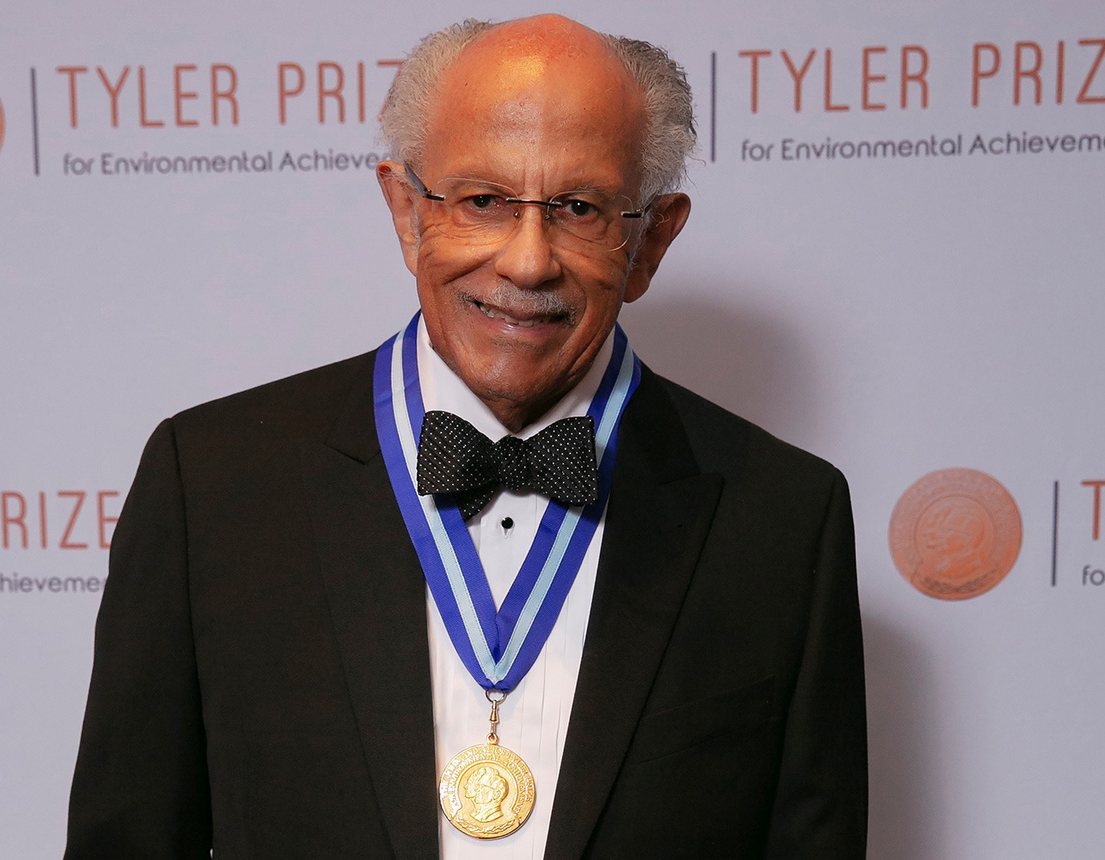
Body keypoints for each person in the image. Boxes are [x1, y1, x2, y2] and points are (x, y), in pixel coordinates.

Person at [65, 14, 867, 859]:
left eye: (578, 208)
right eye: (483, 200)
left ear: (651, 240)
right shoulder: (213, 485)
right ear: (407, 211)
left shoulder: (785, 519)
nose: (527, 262)